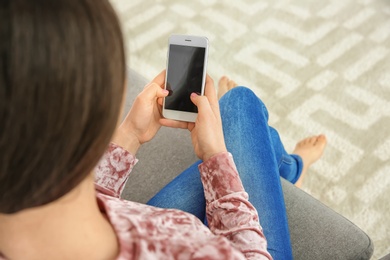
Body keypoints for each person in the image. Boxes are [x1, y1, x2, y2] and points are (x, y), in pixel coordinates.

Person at [0, 0, 326, 259]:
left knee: (246, 125)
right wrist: (214, 156)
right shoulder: (181, 240)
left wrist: (129, 135)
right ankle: (290, 167)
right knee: (241, 108)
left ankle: (284, 165)